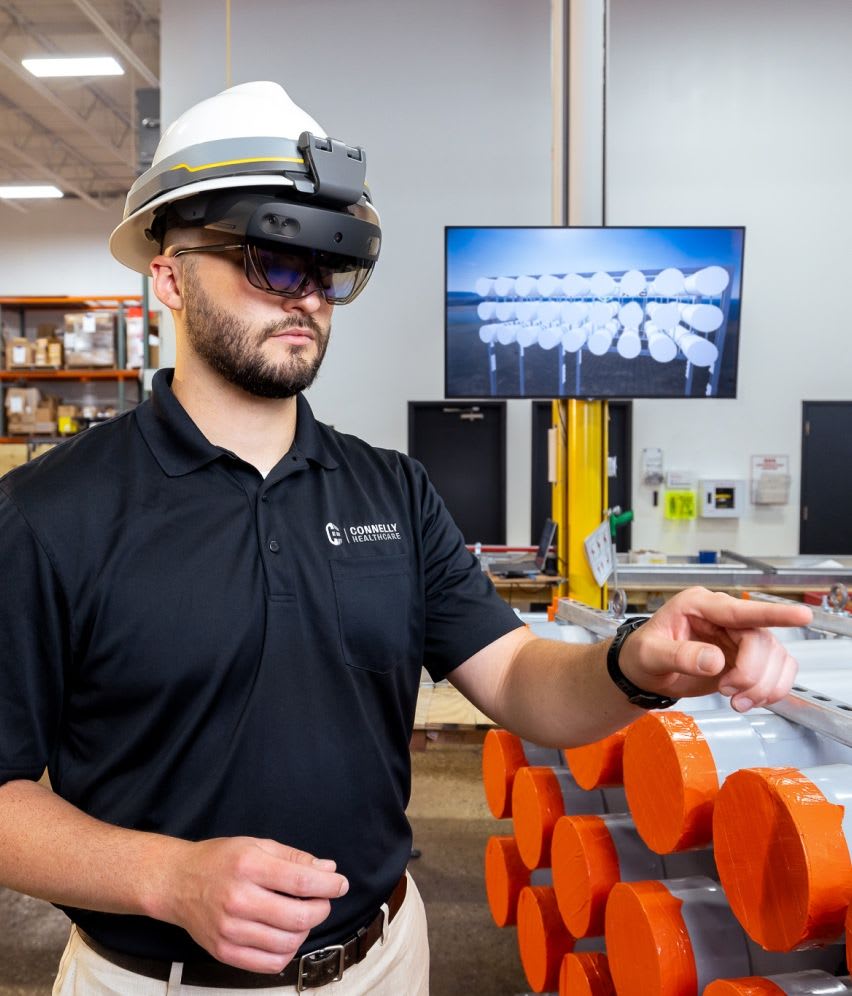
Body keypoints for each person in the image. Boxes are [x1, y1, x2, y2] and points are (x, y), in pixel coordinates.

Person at [0, 81, 810, 995]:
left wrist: (635, 662)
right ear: (170, 274)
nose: (306, 295)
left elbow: (516, 678)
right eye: (271, 259)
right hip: (153, 980)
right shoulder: (48, 514)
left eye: (330, 267)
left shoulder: (393, 488)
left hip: (383, 959)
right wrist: (167, 878)